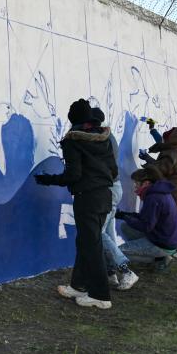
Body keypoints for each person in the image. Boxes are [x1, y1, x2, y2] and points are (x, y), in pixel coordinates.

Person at [34, 99, 116, 309]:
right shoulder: (103, 138)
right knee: (87, 242)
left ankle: (100, 295)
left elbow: (73, 175)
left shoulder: (73, 141)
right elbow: (113, 171)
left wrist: (48, 179)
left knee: (92, 244)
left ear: (73, 118)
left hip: (87, 198)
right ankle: (78, 285)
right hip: (105, 196)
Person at [91, 107, 138, 290]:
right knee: (108, 233)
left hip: (107, 190)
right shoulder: (107, 136)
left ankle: (125, 271)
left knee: (98, 233)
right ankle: (111, 274)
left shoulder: (102, 138)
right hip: (112, 189)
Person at [139, 120, 177, 257]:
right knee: (173, 217)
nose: (163, 139)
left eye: (167, 137)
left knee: (173, 218)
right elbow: (161, 141)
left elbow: (160, 169)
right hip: (176, 187)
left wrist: (147, 159)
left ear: (172, 141)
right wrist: (152, 129)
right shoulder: (173, 148)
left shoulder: (172, 154)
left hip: (174, 189)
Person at [115, 166, 177, 272]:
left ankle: (160, 259)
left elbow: (146, 226)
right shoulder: (159, 192)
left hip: (163, 244)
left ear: (146, 183)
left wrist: (125, 217)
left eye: (136, 183)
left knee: (119, 252)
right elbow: (146, 218)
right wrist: (126, 215)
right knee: (125, 227)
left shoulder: (153, 198)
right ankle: (161, 257)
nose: (135, 187)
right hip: (167, 239)